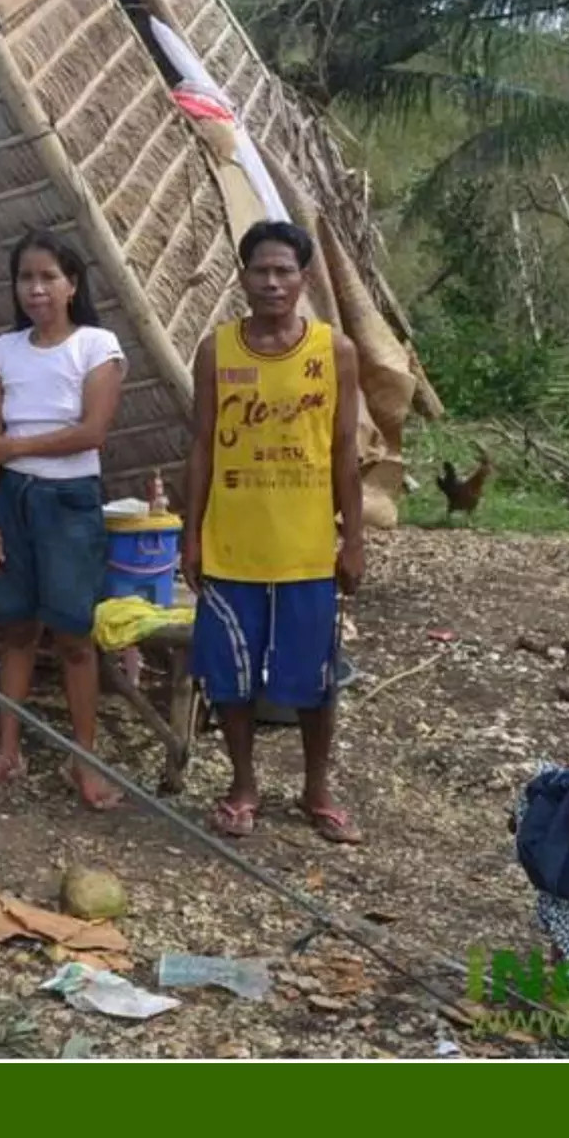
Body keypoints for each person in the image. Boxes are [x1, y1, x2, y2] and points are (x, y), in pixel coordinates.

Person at [181, 219, 365, 844]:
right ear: (242, 276)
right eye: (260, 269)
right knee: (230, 676)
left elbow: (343, 453)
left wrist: (355, 540)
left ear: (303, 278)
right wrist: (191, 534)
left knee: (313, 680)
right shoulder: (217, 349)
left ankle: (317, 789)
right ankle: (242, 784)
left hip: (307, 550)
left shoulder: (334, 351)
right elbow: (203, 445)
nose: (272, 281)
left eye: (284, 270)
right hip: (232, 546)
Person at [0, 229, 127, 810]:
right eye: (25, 278)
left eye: (47, 278)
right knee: (15, 628)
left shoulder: (97, 346)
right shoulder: (1, 352)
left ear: (72, 285)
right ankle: (7, 752)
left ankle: (81, 761)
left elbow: (92, 432)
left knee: (74, 635)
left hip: (68, 504)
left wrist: (15, 449)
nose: (35, 289)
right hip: (12, 501)